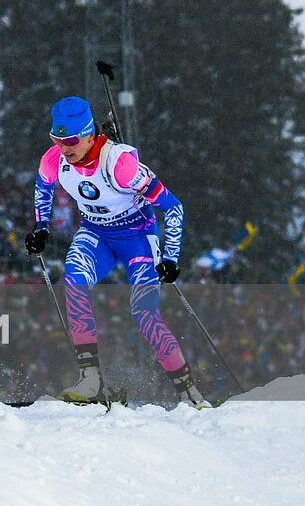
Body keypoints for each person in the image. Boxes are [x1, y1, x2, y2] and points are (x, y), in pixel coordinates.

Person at [25, 96, 209, 408]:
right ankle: (91, 381)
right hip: (96, 233)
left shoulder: (120, 165)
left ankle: (190, 394)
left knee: (144, 313)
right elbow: (43, 188)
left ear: (88, 134)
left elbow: (173, 207)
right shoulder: (54, 159)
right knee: (74, 281)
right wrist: (41, 226)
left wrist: (171, 257)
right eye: (57, 139)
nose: (64, 148)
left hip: (137, 237)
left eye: (70, 140)